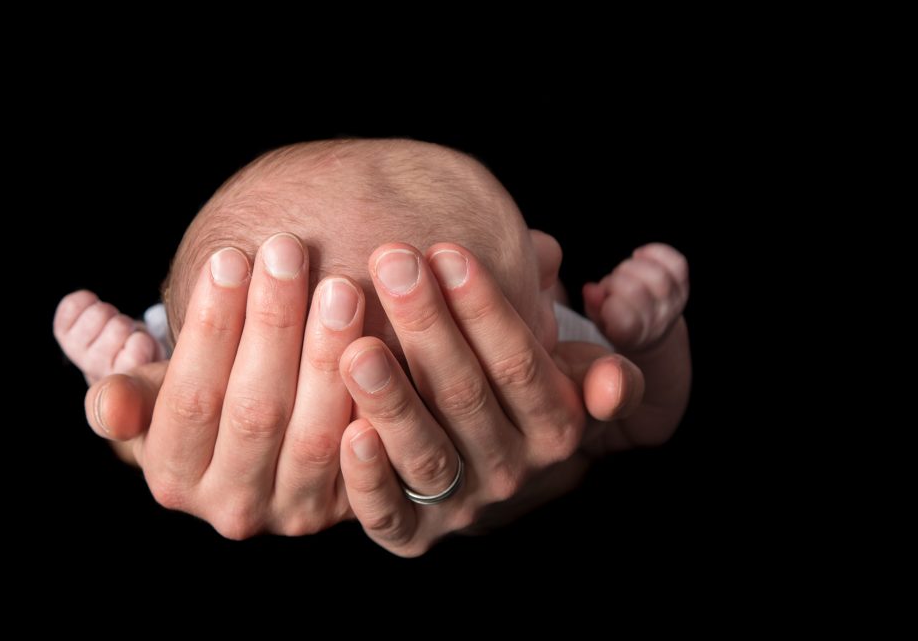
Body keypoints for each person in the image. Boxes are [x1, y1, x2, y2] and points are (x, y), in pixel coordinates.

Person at [53, 138, 691, 556]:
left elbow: (644, 424)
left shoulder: (555, 361)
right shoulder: (557, 348)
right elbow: (651, 420)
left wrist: (125, 373)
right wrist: (647, 340)